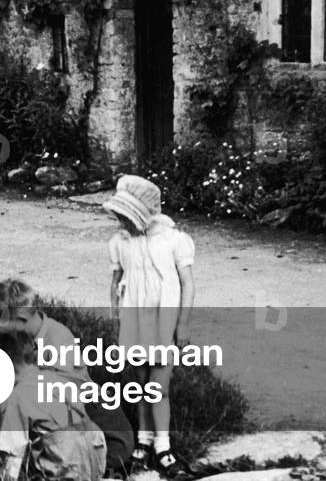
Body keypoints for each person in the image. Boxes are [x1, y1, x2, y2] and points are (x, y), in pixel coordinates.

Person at [0, 280, 133, 477]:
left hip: (92, 418)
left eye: (1, 329)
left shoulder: (58, 339)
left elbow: (65, 393)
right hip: (62, 424)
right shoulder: (21, 344)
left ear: (20, 321)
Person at [103, 175, 195, 480]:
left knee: (159, 388)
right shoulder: (121, 242)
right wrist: (117, 317)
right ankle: (142, 443)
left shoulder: (173, 241)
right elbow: (116, 282)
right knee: (141, 385)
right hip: (135, 321)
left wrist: (182, 324)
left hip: (162, 322)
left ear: (142, 213)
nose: (120, 222)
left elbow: (187, 284)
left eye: (126, 216)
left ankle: (163, 447)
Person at [0, 330, 107, 480]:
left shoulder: (17, 397)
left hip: (65, 465)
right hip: (95, 458)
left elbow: (12, 454)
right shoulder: (59, 380)